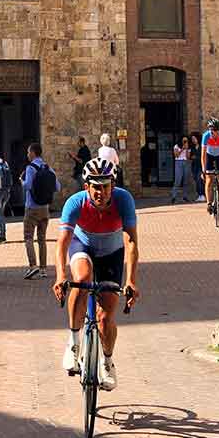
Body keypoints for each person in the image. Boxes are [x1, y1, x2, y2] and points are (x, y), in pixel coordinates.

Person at [52, 158, 140, 392]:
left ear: (112, 185)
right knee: (81, 281)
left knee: (105, 316)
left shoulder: (124, 200)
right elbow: (62, 243)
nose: (101, 192)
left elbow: (131, 242)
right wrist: (61, 275)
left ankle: (107, 362)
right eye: (96, 187)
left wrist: (131, 280)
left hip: (112, 252)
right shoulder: (75, 203)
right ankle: (73, 342)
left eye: (105, 186)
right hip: (83, 245)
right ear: (86, 187)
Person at [21, 142, 61, 280]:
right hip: (45, 208)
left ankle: (33, 266)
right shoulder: (48, 167)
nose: (27, 155)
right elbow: (58, 187)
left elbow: (27, 186)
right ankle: (43, 269)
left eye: (28, 152)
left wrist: (21, 181)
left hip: (32, 207)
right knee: (42, 239)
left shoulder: (30, 168)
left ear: (32, 153)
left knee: (28, 237)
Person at [201, 117, 219, 214]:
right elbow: (203, 155)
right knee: (209, 180)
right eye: (214, 131)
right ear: (210, 130)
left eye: (218, 130)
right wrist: (203, 170)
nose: (217, 133)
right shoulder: (206, 136)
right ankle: (209, 203)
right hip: (209, 156)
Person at [170, 136, 193, 203]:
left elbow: (188, 157)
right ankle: (174, 196)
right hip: (178, 162)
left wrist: (186, 149)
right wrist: (182, 149)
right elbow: (176, 155)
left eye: (186, 141)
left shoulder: (188, 147)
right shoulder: (176, 146)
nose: (185, 142)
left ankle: (185, 196)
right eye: (184, 141)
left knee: (186, 180)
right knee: (178, 180)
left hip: (186, 162)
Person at [190, 133, 205, 201]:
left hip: (200, 165)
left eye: (194, 139)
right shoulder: (192, 147)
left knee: (200, 180)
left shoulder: (202, 147)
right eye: (192, 139)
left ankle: (202, 194)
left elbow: (203, 156)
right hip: (194, 166)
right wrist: (192, 157)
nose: (193, 140)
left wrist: (196, 157)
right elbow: (190, 156)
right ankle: (199, 194)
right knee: (196, 180)